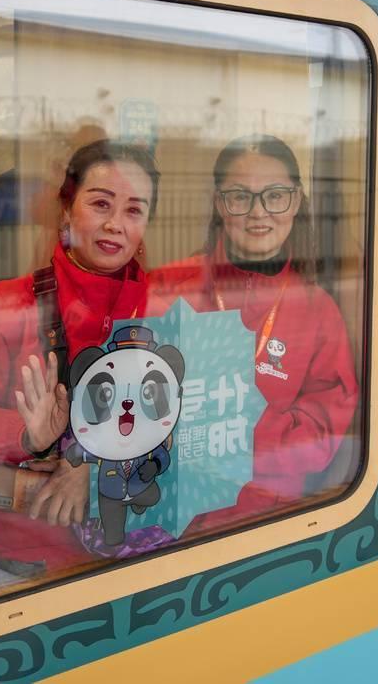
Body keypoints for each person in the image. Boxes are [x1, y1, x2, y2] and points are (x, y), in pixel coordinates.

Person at [0, 140, 160, 587]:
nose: (115, 224)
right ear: (66, 210)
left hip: (137, 557)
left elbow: (190, 433)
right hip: (19, 560)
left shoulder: (165, 311)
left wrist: (95, 468)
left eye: (134, 210)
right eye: (100, 203)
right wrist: (28, 436)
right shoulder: (7, 303)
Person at [149, 134, 359, 535]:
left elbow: (319, 438)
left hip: (266, 526)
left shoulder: (318, 310)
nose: (258, 212)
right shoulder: (167, 288)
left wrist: (223, 427)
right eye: (240, 197)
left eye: (275, 196)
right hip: (170, 522)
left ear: (295, 202)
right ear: (219, 204)